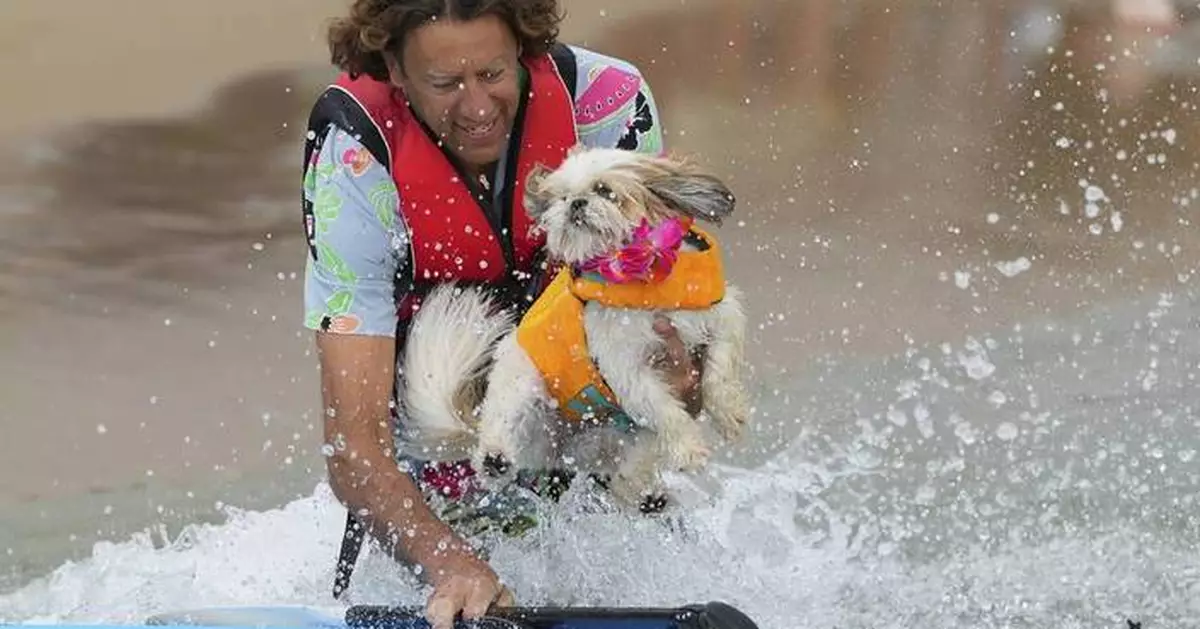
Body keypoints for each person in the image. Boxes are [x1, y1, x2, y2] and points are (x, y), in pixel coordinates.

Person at [299, 1, 704, 628]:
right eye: (445, 84)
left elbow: (674, 346)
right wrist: (450, 562)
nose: (477, 106)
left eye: (493, 74)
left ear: (525, 52)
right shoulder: (354, 149)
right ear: (394, 73)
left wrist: (681, 382)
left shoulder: (607, 105)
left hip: (589, 398)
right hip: (433, 419)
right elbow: (353, 447)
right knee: (460, 562)